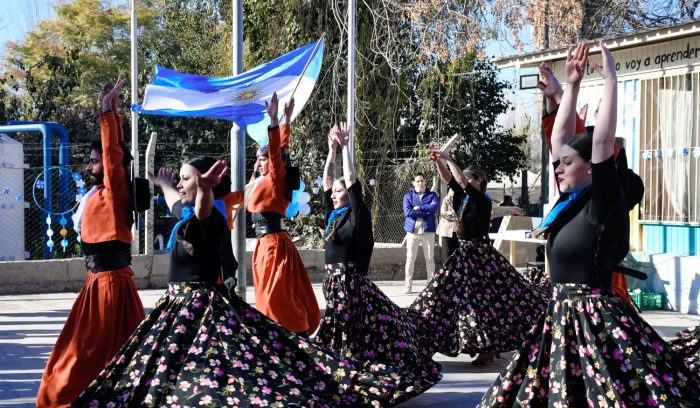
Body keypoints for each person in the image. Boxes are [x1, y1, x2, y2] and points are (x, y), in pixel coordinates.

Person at [73, 156, 402, 407]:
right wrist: (163, 183)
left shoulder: (211, 211)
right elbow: (178, 204)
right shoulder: (187, 214)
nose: (182, 183)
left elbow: (202, 209)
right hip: (178, 307)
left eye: (186, 178)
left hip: (200, 307)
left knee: (218, 370)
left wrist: (276, 127)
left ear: (204, 185)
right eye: (184, 179)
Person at [478, 42, 700, 407]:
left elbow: (600, 141)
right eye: (558, 163)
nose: (558, 168)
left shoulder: (600, 203)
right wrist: (571, 86)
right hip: (558, 318)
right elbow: (558, 140)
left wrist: (611, 81)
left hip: (594, 320)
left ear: (592, 167)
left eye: (567, 163)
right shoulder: (566, 206)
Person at [314, 122, 442, 405]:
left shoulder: (356, 216)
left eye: (339, 191)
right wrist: (331, 149)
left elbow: (349, 178)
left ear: (349, 194)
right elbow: (327, 181)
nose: (333, 194)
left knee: (347, 336)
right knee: (340, 335)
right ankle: (341, 379)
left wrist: (347, 146)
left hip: (349, 284)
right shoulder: (333, 216)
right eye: (333, 192)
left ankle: (354, 383)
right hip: (332, 284)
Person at [37, 79, 146, 407]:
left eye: (94, 161)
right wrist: (113, 113)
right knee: (93, 353)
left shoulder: (116, 192)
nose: (89, 165)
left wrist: (105, 114)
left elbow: (116, 158)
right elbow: (118, 154)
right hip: (96, 284)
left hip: (110, 287)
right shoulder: (98, 193)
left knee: (86, 356)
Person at [411, 150, 549, 366]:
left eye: (468, 178)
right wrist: (438, 161)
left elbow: (458, 180)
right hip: (464, 253)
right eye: (463, 177)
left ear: (479, 181)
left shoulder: (482, 201)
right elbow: (449, 178)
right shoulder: (463, 197)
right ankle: (431, 339)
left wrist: (448, 158)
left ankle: (489, 347)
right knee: (446, 297)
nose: (463, 180)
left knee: (486, 303)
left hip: (480, 256)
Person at [224, 93, 320, 336]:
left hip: (274, 244)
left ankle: (291, 331)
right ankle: (273, 331)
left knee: (276, 295)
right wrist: (287, 119)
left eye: (263, 158)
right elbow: (281, 151)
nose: (259, 162)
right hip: (263, 245)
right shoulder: (259, 181)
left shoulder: (276, 179)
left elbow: (280, 154)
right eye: (258, 158)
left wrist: (275, 121)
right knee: (265, 293)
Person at [402, 172, 439, 293]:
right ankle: (408, 284)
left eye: (422, 180)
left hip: (428, 230)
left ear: (425, 181)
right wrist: (426, 211)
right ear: (413, 183)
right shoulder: (407, 196)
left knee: (430, 258)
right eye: (417, 181)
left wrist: (418, 208)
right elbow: (408, 213)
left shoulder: (432, 195)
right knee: (410, 258)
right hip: (412, 232)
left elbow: (434, 209)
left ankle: (431, 284)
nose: (420, 183)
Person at [436, 189, 459, 261]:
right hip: (446, 230)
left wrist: (454, 214)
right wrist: (454, 214)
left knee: (456, 252)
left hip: (457, 230)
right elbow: (443, 213)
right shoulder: (447, 199)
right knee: (447, 253)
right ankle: (446, 270)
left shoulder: (462, 199)